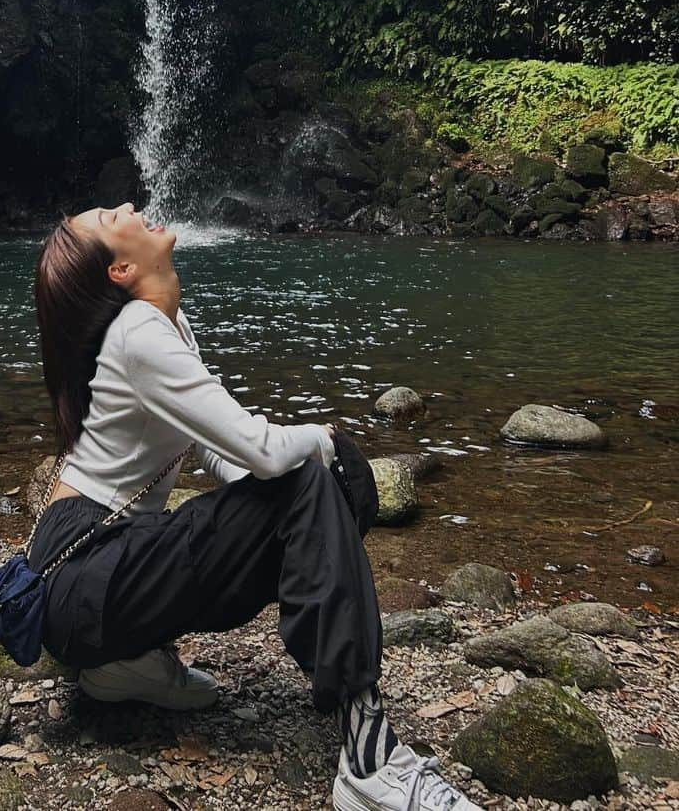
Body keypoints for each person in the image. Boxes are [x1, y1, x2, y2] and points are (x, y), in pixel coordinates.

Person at [28, 201, 482, 811]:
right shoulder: (137, 334)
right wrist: (322, 442)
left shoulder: (166, 325)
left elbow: (223, 455)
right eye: (114, 217)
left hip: (93, 582)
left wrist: (297, 489)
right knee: (308, 477)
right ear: (122, 269)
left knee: (320, 486)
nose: (131, 206)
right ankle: (369, 762)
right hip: (82, 571)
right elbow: (263, 452)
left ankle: (122, 664)